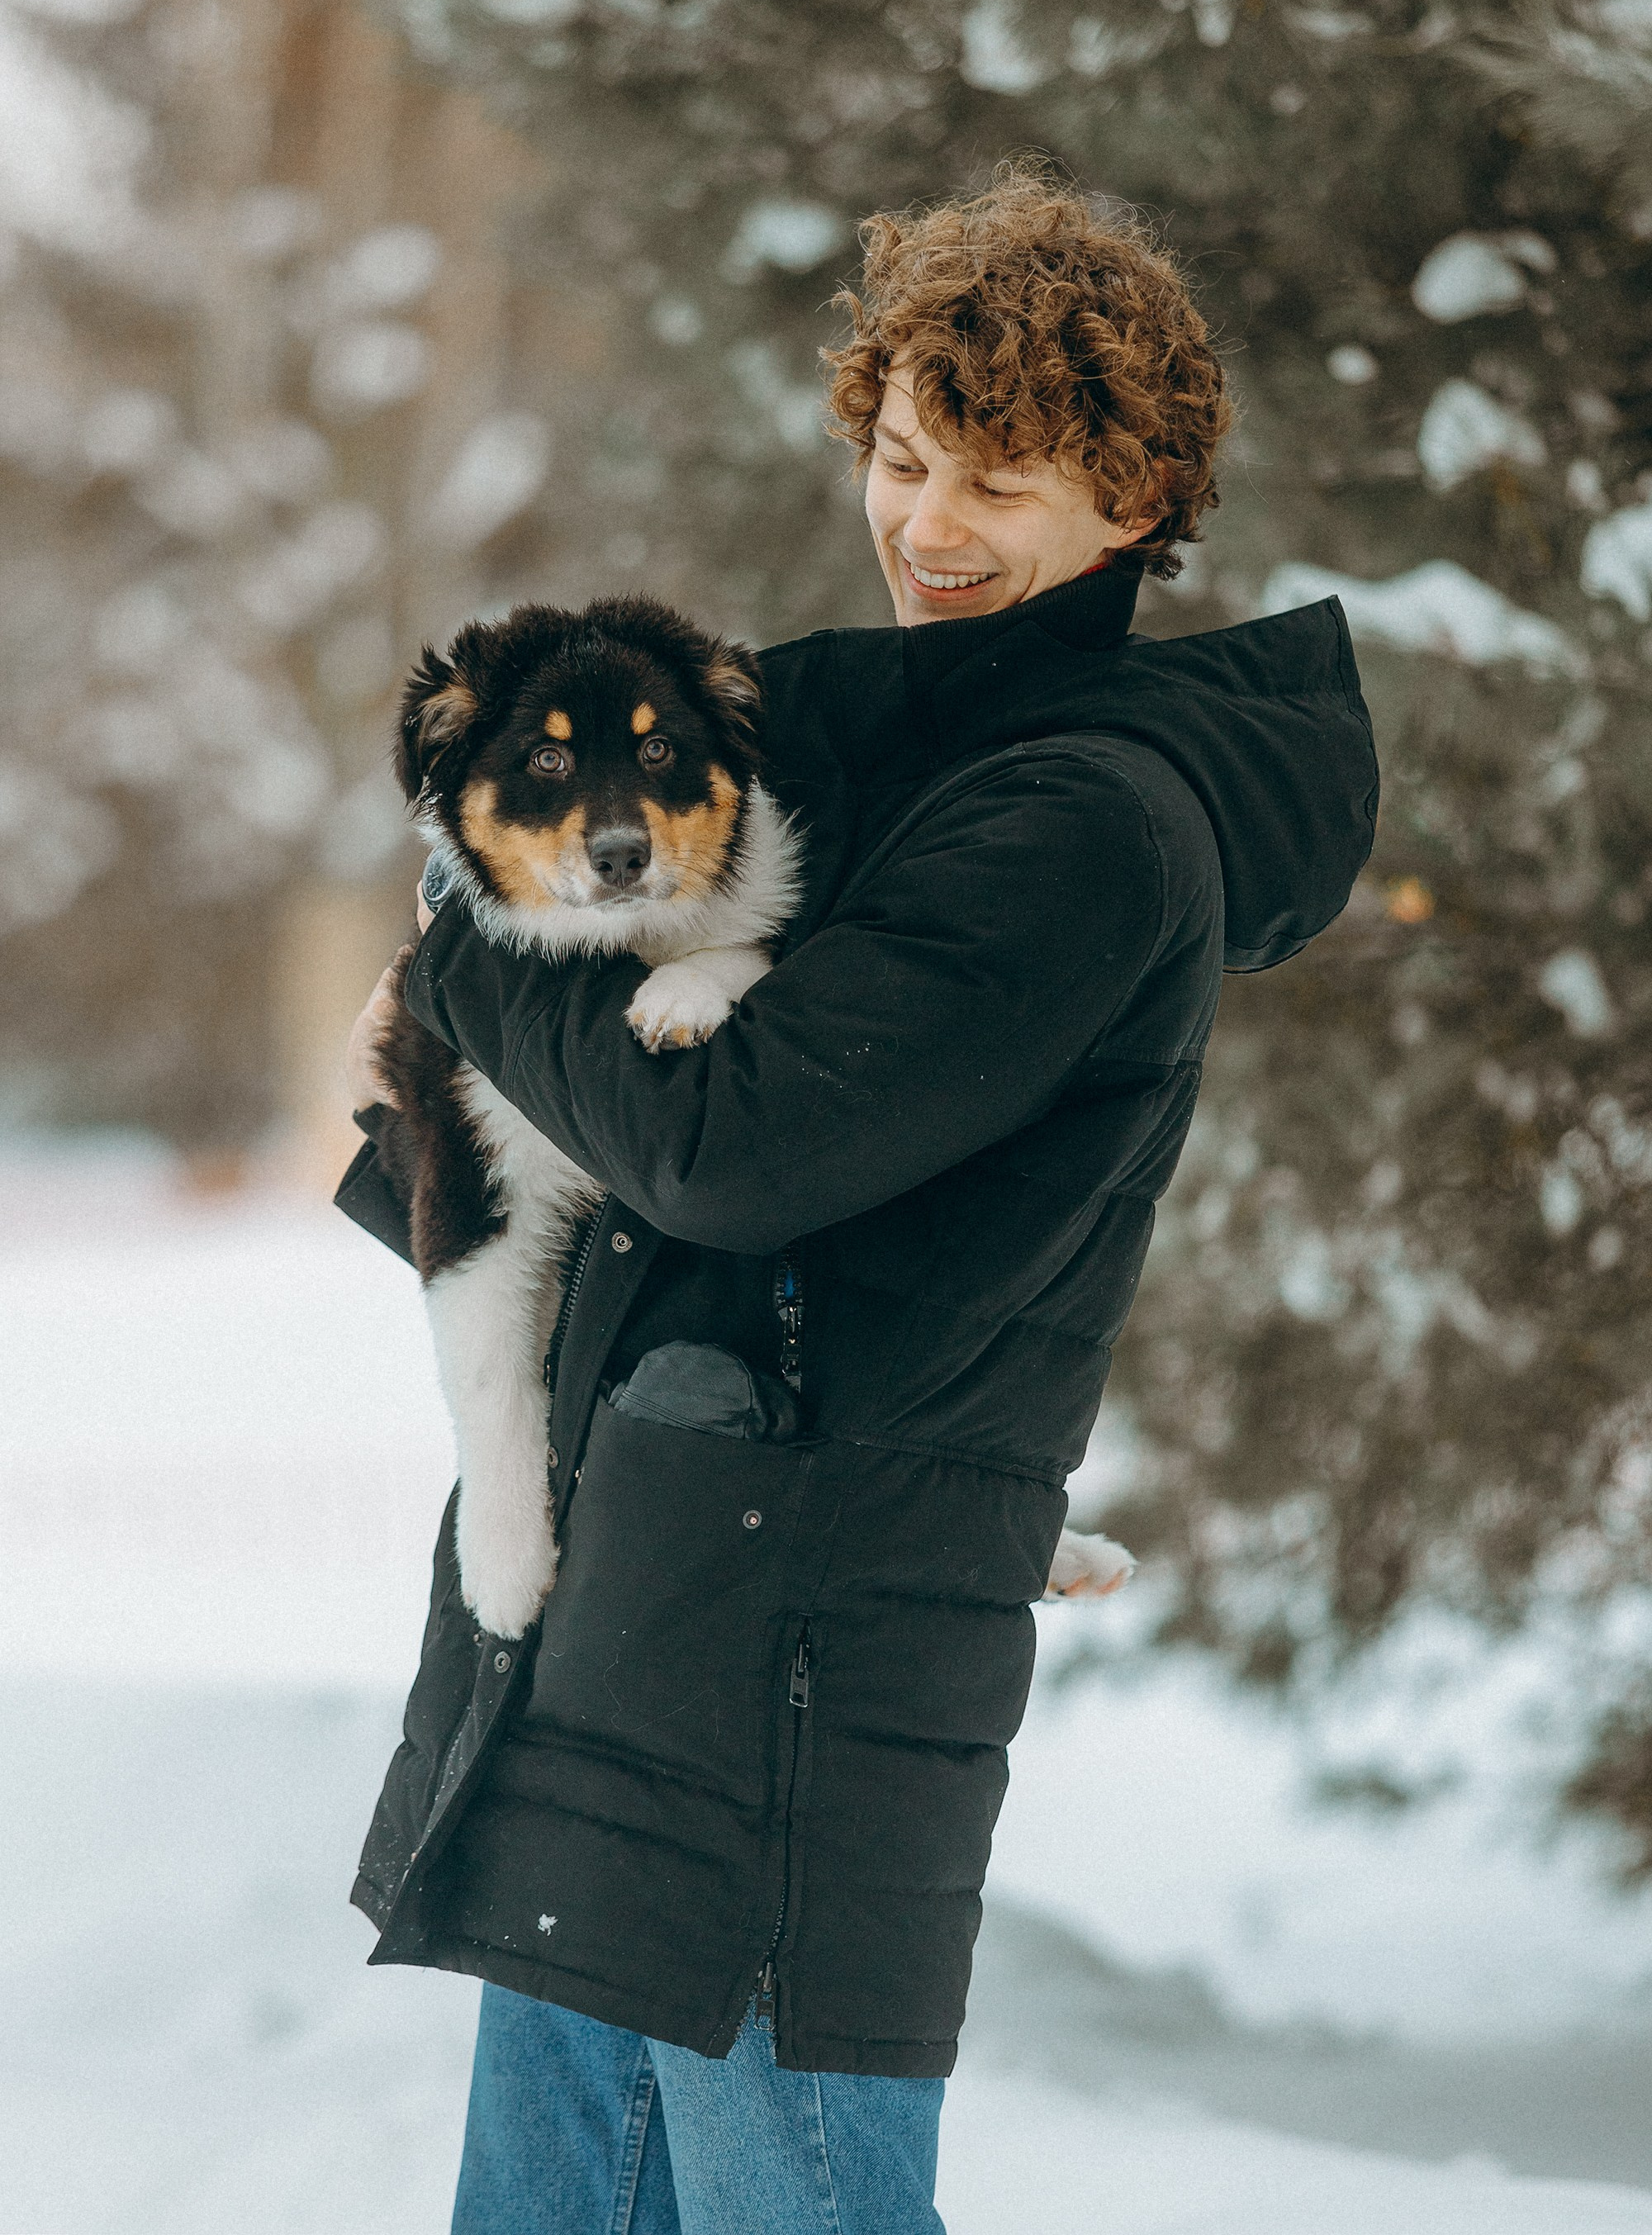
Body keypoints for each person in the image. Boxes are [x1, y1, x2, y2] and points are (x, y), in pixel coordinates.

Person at [338, 169, 1378, 2234]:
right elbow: (598, 1136)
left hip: (800, 1663)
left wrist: (462, 951)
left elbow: (741, 1153)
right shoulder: (848, 736)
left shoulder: (1087, 817)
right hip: (623, 1609)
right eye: (904, 460)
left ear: (1134, 497)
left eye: (1001, 479)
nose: (931, 527)